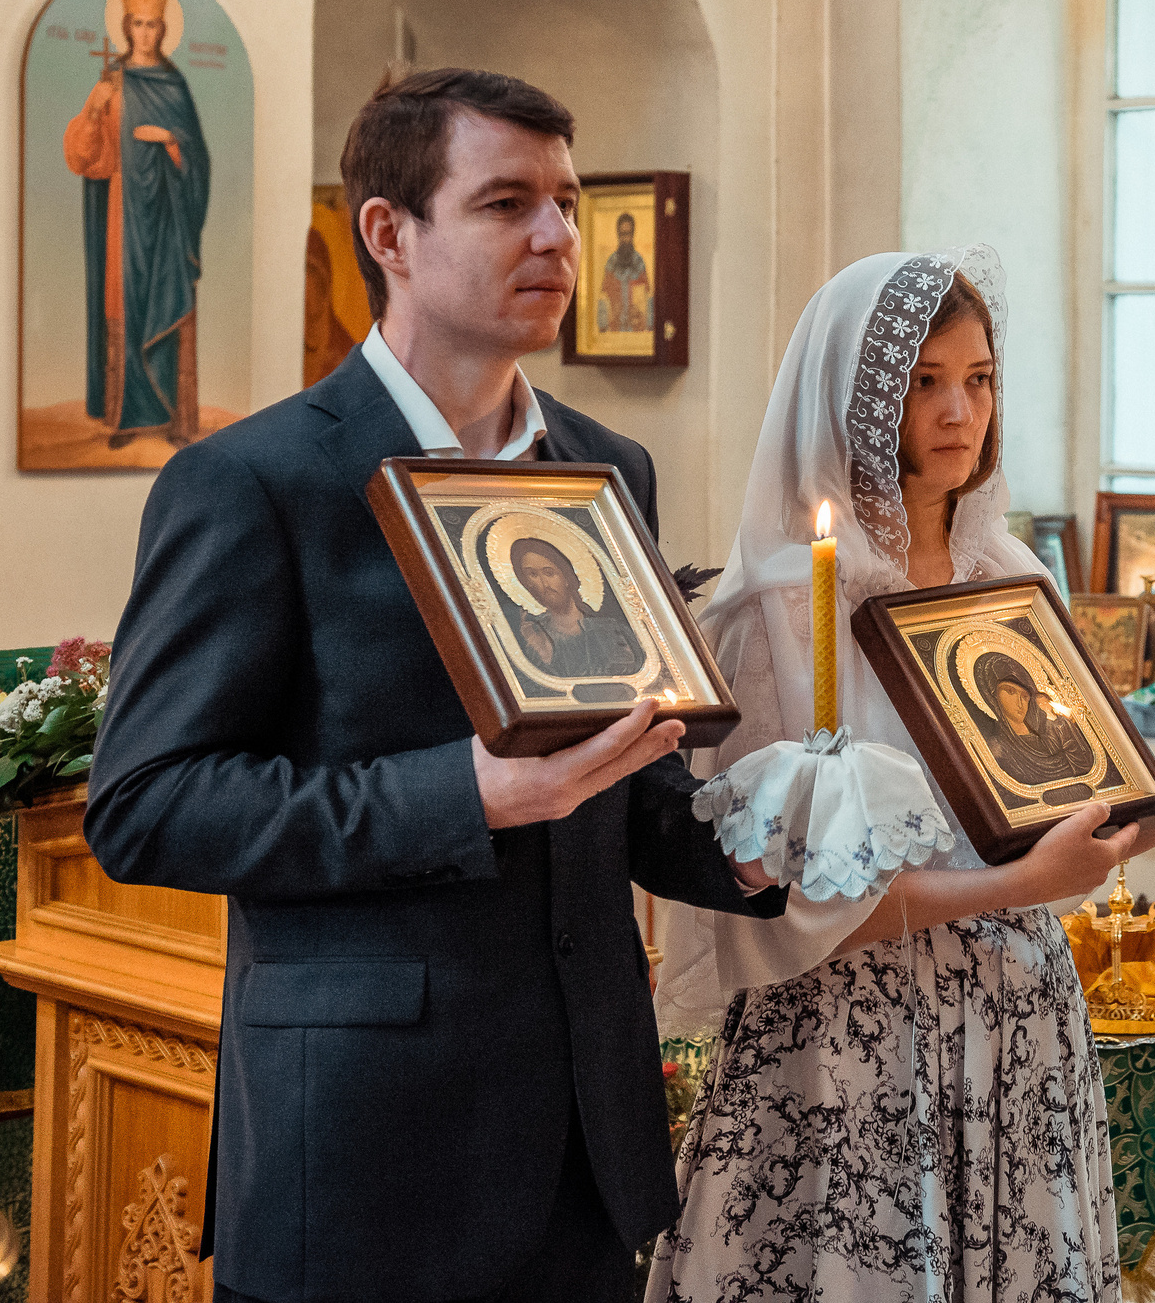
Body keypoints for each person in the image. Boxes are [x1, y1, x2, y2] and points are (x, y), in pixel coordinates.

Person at [86, 67, 781, 1303]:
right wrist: (465, 793)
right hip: (364, 1146)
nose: (558, 235)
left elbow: (624, 778)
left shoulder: (604, 467)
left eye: (566, 202)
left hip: (583, 1144)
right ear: (388, 233)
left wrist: (755, 841)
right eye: (508, 202)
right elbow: (149, 804)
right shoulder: (255, 480)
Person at [648, 246, 1155, 1303]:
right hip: (848, 1042)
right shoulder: (775, 613)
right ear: (858, 399)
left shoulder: (1011, 578)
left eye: (979, 379)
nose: (959, 411)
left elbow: (1072, 789)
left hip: (1016, 1025)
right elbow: (778, 900)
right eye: (925, 381)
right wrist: (1020, 884)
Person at [64, 0, 212, 448]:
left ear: (162, 30)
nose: (145, 33)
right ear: (127, 28)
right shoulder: (112, 82)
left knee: (167, 304)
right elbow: (85, 160)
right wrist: (93, 111)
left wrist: (169, 140)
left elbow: (198, 157)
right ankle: (127, 419)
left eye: (153, 25)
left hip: (167, 220)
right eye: (138, 24)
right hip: (121, 218)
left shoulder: (174, 84)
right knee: (124, 308)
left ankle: (174, 421)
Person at [972, 648, 1112, 794]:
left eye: (1025, 696)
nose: (1020, 703)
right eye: (1010, 691)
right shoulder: (998, 747)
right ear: (992, 695)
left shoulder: (1051, 732)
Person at [509, 534, 647, 678]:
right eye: (532, 575)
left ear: (566, 577)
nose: (544, 583)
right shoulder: (534, 636)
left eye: (549, 573)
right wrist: (543, 655)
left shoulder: (611, 629)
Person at [599, 211, 651, 333]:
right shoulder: (611, 262)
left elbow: (647, 296)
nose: (625, 239)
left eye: (628, 234)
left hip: (636, 328)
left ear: (633, 234)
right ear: (618, 234)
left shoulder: (639, 262)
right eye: (622, 234)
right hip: (615, 328)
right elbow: (604, 296)